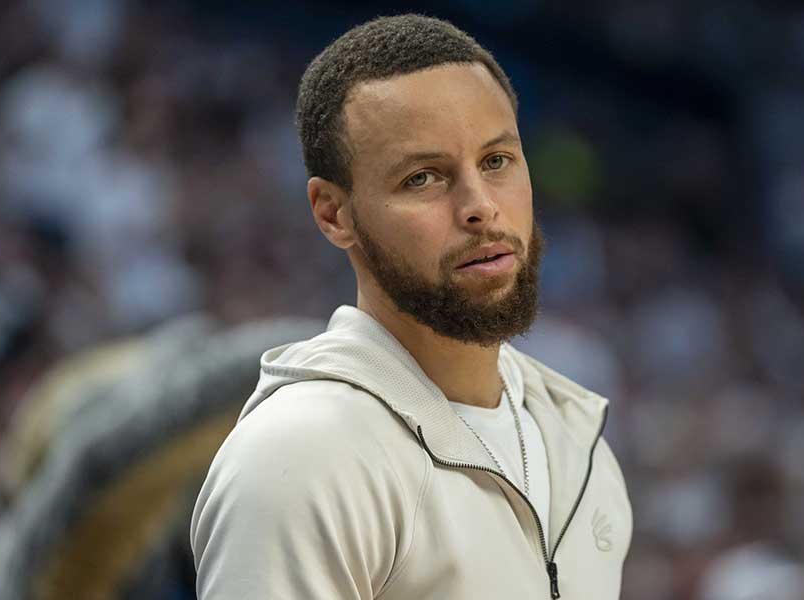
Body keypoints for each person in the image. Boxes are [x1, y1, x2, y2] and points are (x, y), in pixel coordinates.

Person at [190, 14, 632, 600]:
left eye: (497, 161)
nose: (480, 207)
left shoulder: (577, 440)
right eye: (423, 178)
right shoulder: (300, 459)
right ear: (332, 213)